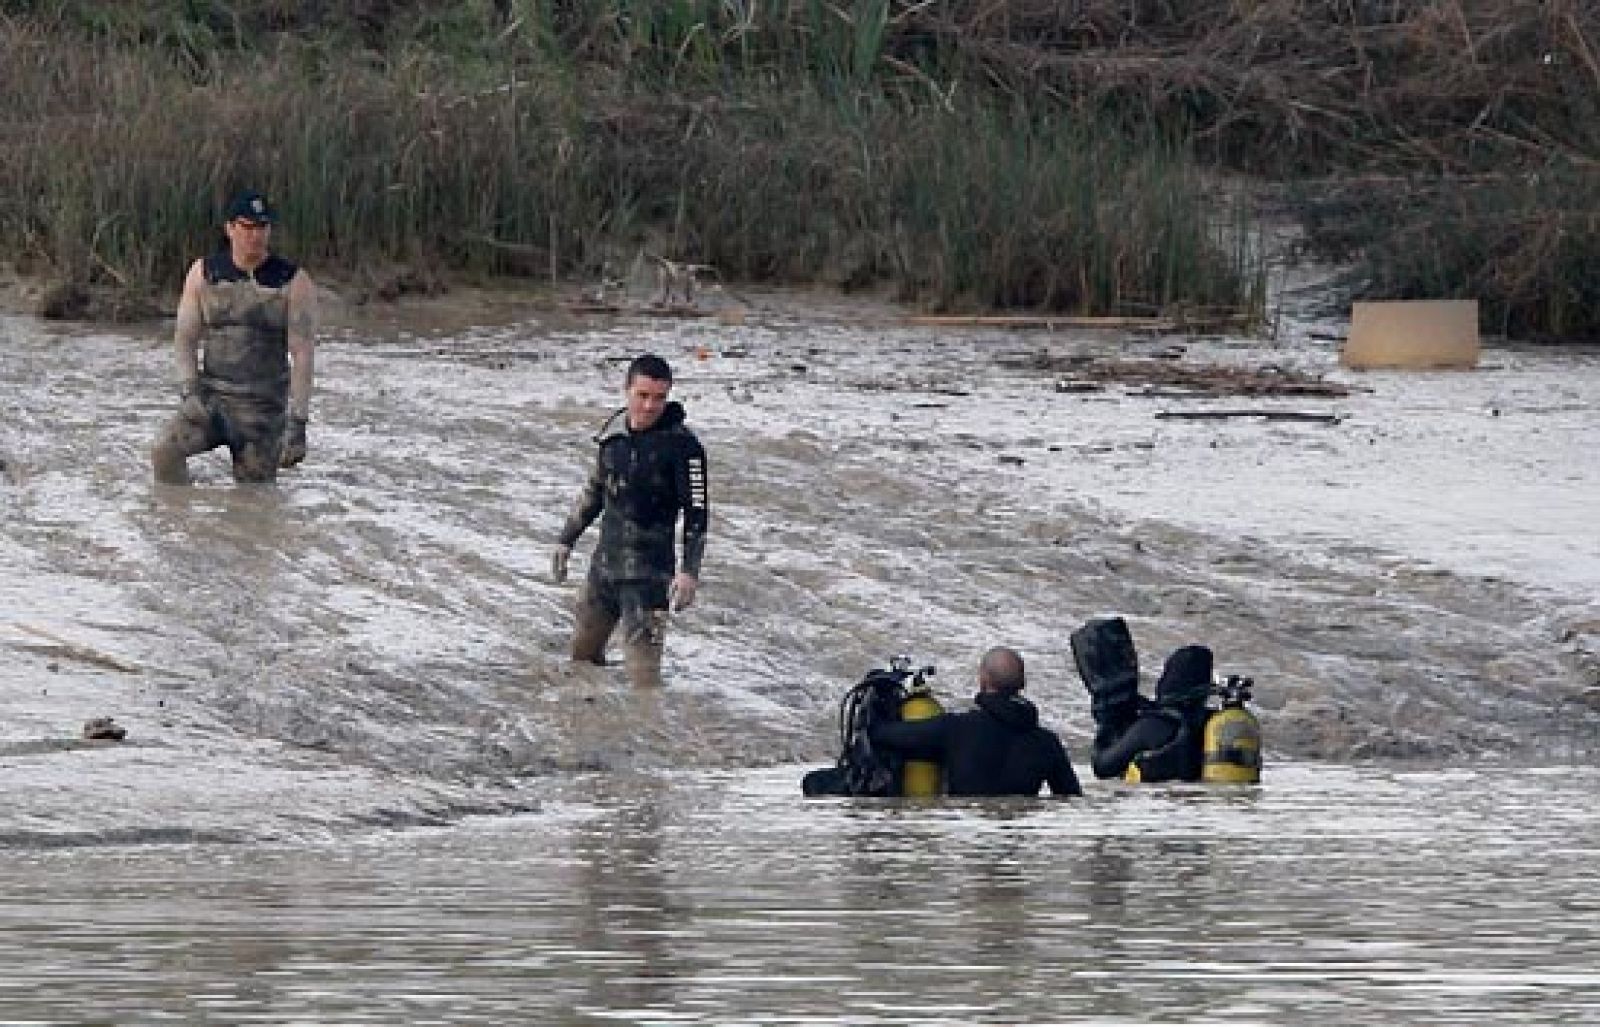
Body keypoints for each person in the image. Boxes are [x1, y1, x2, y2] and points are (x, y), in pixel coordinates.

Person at [551, 353, 709, 688]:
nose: (650, 406)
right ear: (627, 390)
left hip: (649, 579)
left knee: (644, 683)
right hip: (603, 571)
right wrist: (566, 540)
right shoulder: (612, 435)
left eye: (659, 398)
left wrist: (689, 572)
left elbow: (697, 513)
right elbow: (594, 492)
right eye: (643, 395)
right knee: (581, 663)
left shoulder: (684, 448)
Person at [151, 190, 318, 485]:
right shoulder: (204, 273)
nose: (256, 235)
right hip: (212, 399)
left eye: (262, 227)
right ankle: (180, 510)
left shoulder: (292, 281)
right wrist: (189, 390)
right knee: (164, 451)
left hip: (262, 409)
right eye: (248, 227)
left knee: (253, 497)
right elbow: (185, 338)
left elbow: (302, 354)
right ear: (230, 228)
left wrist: (298, 422)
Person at [866, 647, 1083, 797]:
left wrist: (880, 700)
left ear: (983, 679)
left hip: (970, 833)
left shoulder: (956, 729)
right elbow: (1070, 798)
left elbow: (882, 734)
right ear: (1023, 683)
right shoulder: (1047, 743)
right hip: (1017, 843)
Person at [1070, 616, 1213, 782]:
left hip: (1163, 798)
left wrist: (1106, 726)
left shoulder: (1151, 727)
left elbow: (1102, 767)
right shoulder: (1212, 722)